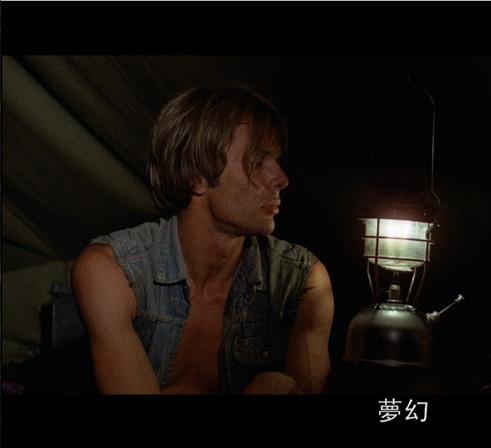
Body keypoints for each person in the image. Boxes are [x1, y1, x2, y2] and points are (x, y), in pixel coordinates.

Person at [71, 82, 335, 394]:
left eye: (277, 161)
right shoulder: (112, 271)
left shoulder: (303, 282)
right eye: (256, 162)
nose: (281, 179)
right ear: (194, 176)